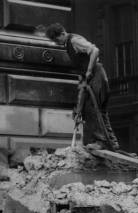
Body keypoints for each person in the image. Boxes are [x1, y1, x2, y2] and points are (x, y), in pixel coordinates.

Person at [45, 23, 119, 151]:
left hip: (96, 74)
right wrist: (79, 105)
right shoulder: (69, 45)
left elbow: (95, 50)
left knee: (93, 108)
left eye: (57, 40)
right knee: (95, 110)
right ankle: (112, 143)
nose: (57, 43)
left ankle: (101, 142)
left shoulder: (74, 40)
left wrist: (89, 70)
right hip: (90, 77)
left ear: (63, 34)